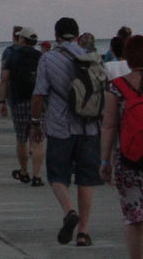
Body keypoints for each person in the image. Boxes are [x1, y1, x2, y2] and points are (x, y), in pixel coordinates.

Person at [32, 16, 104, 247]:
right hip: (90, 125)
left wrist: (35, 122)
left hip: (60, 126)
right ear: (77, 33)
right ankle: (83, 232)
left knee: (57, 175)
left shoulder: (48, 58)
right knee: (86, 179)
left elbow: (39, 93)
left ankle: (68, 210)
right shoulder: (92, 57)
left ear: (56, 35)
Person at [101, 34, 143, 259]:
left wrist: (105, 161)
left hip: (129, 160)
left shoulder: (116, 86)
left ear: (127, 58)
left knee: (134, 216)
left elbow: (109, 126)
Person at [0, 26, 46, 187]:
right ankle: (37, 175)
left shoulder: (13, 56)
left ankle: (24, 171)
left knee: (21, 138)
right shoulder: (41, 56)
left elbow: (4, 78)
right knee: (38, 140)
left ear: (22, 40)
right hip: (38, 101)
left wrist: (2, 100)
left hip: (18, 100)